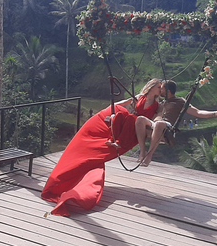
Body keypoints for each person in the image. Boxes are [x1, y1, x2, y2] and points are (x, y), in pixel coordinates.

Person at [41, 78, 163, 216]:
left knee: (132, 119)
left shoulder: (158, 105)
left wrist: (155, 123)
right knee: (122, 114)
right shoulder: (140, 97)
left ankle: (120, 142)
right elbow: (118, 104)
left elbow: (158, 117)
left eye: (161, 87)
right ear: (152, 87)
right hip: (129, 125)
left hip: (137, 127)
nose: (160, 89)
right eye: (158, 86)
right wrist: (122, 105)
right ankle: (114, 139)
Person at [135, 80, 217, 166]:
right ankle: (142, 152)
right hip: (154, 124)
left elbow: (197, 112)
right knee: (140, 119)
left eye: (161, 88)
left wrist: (215, 113)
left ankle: (149, 156)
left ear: (168, 91)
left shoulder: (179, 102)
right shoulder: (161, 102)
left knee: (159, 123)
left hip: (166, 127)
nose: (160, 90)